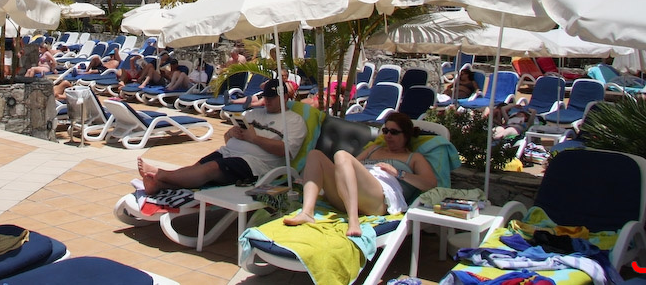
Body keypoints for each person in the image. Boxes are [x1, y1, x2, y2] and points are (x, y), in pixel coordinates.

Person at [137, 79, 307, 194]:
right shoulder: (254, 113)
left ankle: (160, 174)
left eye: (272, 98)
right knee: (197, 168)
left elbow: (286, 151)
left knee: (211, 168)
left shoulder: (294, 121)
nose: (267, 101)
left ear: (285, 97)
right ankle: (158, 185)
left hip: (254, 164)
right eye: (266, 97)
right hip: (228, 152)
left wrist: (254, 139)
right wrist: (231, 133)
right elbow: (227, 139)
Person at [283, 111, 438, 236]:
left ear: (406, 135)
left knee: (341, 155)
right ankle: (307, 212)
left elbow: (431, 184)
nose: (388, 136)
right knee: (315, 155)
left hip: (378, 199)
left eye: (394, 132)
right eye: (385, 131)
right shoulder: (374, 149)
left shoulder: (413, 158)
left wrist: (399, 173)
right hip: (348, 195)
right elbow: (347, 166)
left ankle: (353, 221)